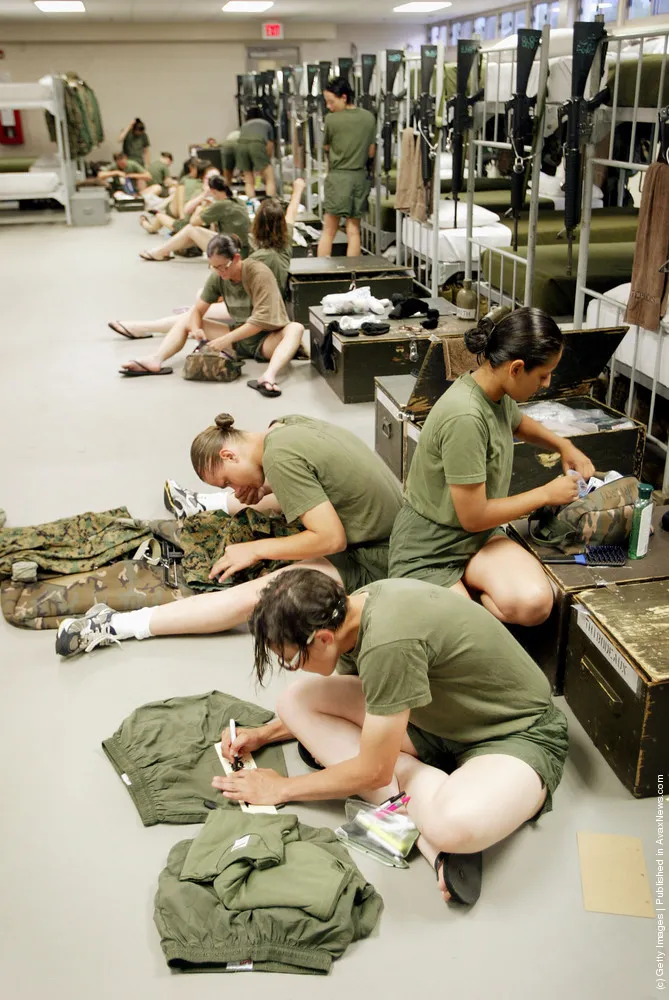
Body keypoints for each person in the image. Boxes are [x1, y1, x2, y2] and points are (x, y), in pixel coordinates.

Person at [209, 568, 569, 906]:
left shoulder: (388, 642)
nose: (295, 667)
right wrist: (266, 734)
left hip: (516, 733)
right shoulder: (353, 609)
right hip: (434, 717)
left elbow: (374, 773)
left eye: (292, 660)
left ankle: (415, 793)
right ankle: (418, 794)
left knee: (451, 827)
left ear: (323, 638)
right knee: (294, 701)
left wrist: (282, 789)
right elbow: (377, 690)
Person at [55, 413, 403, 658]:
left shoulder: (280, 460)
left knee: (268, 592)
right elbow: (313, 477)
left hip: (381, 556)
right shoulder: (283, 428)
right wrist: (262, 487)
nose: (235, 489)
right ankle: (203, 503)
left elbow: (331, 540)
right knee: (273, 495)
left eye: (227, 481)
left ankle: (117, 625)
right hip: (390, 526)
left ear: (229, 454)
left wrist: (255, 549)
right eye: (226, 489)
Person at [388, 307, 595, 626]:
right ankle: (459, 604)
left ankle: (466, 594)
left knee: (535, 605)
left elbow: (517, 422)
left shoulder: (494, 389)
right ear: (517, 368)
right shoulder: (466, 417)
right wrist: (546, 494)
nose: (546, 383)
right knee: (467, 630)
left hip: (479, 536)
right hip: (430, 546)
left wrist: (563, 445)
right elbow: (473, 516)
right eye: (543, 375)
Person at [108, 180, 305, 340]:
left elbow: (237, 288)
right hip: (267, 304)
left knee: (193, 314)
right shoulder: (285, 243)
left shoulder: (255, 261)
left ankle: (142, 327)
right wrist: (297, 190)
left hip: (253, 308)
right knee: (201, 299)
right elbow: (292, 212)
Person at [120, 235, 302, 393]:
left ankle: (269, 375)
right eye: (214, 267)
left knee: (295, 328)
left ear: (236, 258)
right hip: (238, 337)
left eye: (223, 266)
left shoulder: (258, 273)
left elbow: (259, 322)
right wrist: (195, 328)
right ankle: (156, 359)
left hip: (265, 341)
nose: (220, 272)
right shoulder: (219, 276)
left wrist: (225, 340)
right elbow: (197, 310)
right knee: (186, 318)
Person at [317, 77, 376, 258]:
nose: (328, 106)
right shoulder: (369, 117)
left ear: (344, 97)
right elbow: (371, 151)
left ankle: (319, 271)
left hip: (338, 178)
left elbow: (326, 146)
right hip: (359, 178)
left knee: (329, 231)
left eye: (331, 102)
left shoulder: (332, 120)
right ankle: (353, 273)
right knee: (354, 231)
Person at [139, 176, 250, 261]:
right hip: (241, 248)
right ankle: (163, 251)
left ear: (213, 191)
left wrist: (203, 207)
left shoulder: (220, 205)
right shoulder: (238, 201)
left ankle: (160, 251)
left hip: (230, 251)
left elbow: (193, 221)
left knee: (190, 229)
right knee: (192, 232)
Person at [237, 107, 276, 199]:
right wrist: (266, 162)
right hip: (257, 144)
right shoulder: (266, 124)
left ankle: (252, 202)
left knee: (248, 180)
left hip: (241, 146)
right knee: (270, 179)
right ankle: (270, 202)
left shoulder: (244, 125)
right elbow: (270, 145)